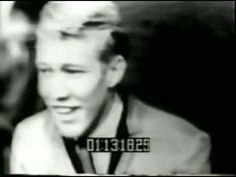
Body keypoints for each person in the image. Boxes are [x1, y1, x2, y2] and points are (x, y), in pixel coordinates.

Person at [10, 1, 211, 175]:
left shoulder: (184, 146)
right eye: (45, 71)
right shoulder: (30, 137)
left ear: (114, 71)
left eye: (73, 71)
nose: (55, 93)